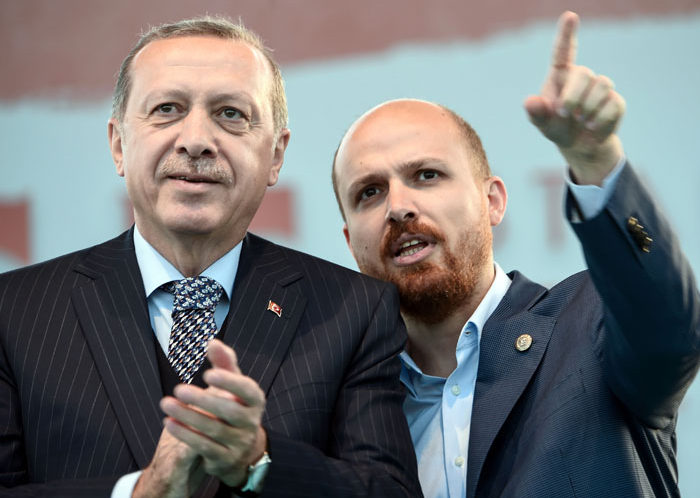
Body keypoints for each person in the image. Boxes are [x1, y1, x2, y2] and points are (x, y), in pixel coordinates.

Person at [0, 16, 421, 498]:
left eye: (230, 114)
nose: (196, 140)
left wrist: (258, 460)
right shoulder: (14, 312)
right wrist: (140, 492)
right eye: (167, 109)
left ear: (276, 155)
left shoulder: (354, 312)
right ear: (119, 145)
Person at [332, 11, 700, 498]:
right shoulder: (347, 411)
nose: (398, 207)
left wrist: (595, 159)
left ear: (493, 202)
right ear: (349, 241)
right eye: (370, 192)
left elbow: (672, 334)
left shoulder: (590, 324)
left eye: (427, 175)